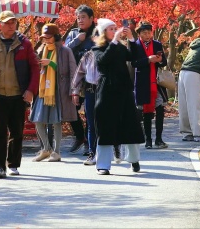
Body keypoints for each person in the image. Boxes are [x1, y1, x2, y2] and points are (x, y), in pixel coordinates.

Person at [0, 10, 40, 179]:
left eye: (13, 23)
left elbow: (35, 67)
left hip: (18, 95)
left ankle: (13, 164)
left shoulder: (24, 43)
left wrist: (31, 90)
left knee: (17, 131)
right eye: (7, 23)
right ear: (0, 25)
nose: (11, 26)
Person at [93, 18, 145, 175]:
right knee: (105, 126)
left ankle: (134, 159)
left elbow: (135, 58)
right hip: (107, 91)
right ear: (103, 32)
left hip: (124, 91)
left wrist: (131, 39)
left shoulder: (121, 48)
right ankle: (103, 164)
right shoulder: (98, 49)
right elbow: (103, 60)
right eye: (111, 29)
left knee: (130, 124)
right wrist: (115, 41)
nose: (115, 31)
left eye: (115, 28)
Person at [30, 24, 77, 162]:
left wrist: (50, 63)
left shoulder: (65, 51)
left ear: (55, 36)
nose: (46, 40)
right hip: (43, 89)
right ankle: (46, 148)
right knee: (37, 120)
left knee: (57, 121)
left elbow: (71, 71)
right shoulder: (41, 49)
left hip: (58, 90)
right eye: (44, 37)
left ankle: (56, 152)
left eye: (48, 37)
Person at [130, 21, 168, 149]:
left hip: (156, 82)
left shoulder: (157, 44)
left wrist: (160, 60)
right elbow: (134, 63)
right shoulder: (135, 45)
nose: (147, 35)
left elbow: (164, 63)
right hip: (142, 82)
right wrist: (148, 60)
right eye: (144, 33)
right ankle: (148, 140)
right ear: (139, 34)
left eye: (149, 32)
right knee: (146, 111)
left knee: (160, 109)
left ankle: (159, 139)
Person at [64, 5, 95, 154]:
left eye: (83, 17)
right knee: (71, 109)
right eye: (78, 17)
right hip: (74, 77)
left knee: (90, 111)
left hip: (90, 78)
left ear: (91, 18)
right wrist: (77, 40)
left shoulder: (98, 33)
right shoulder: (73, 33)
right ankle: (79, 136)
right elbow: (63, 52)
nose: (80, 20)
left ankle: (89, 142)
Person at [71, 33, 100, 165]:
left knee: (106, 122)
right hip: (90, 90)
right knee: (91, 123)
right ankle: (92, 153)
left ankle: (113, 148)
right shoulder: (88, 55)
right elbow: (79, 75)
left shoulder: (112, 52)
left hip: (107, 92)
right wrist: (75, 92)